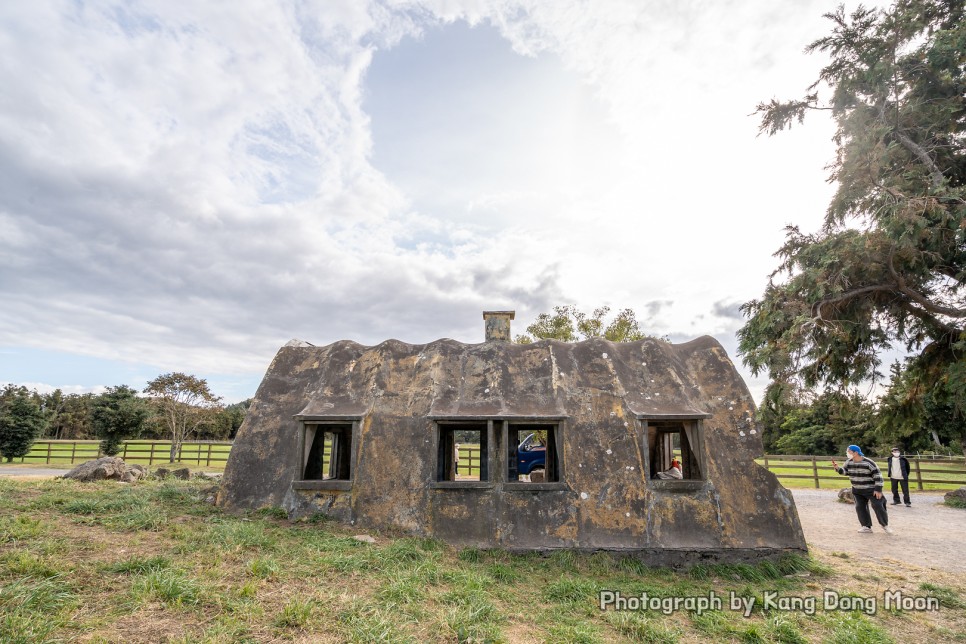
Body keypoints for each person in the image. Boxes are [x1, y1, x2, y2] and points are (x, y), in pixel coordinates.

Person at [831, 445, 892, 534]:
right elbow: (845, 472)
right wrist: (838, 469)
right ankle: (866, 526)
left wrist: (878, 489)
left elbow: (878, 475)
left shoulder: (869, 463)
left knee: (878, 505)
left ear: (855, 453)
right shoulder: (849, 462)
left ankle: (885, 525)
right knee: (860, 507)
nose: (847, 453)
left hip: (871, 489)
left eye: (849, 452)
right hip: (857, 489)